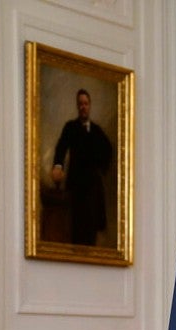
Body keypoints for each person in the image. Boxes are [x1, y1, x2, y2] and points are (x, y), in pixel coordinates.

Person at [51, 88, 112, 246]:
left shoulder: (97, 131)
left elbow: (108, 151)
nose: (83, 107)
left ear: (89, 105)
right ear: (77, 106)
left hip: (93, 189)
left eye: (85, 103)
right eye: (80, 104)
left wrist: (100, 169)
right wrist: (58, 166)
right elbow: (61, 147)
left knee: (91, 232)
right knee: (76, 230)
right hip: (76, 187)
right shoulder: (70, 127)